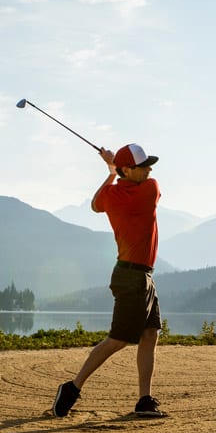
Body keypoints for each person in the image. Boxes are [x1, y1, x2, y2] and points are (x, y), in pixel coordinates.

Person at [52, 143, 166, 418]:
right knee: (118, 339)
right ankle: (71, 388)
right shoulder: (150, 189)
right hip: (132, 277)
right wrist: (113, 166)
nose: (149, 169)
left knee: (150, 334)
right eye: (143, 166)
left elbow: (94, 204)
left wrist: (110, 171)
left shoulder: (112, 194)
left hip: (139, 275)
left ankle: (144, 400)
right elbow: (147, 184)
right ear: (129, 169)